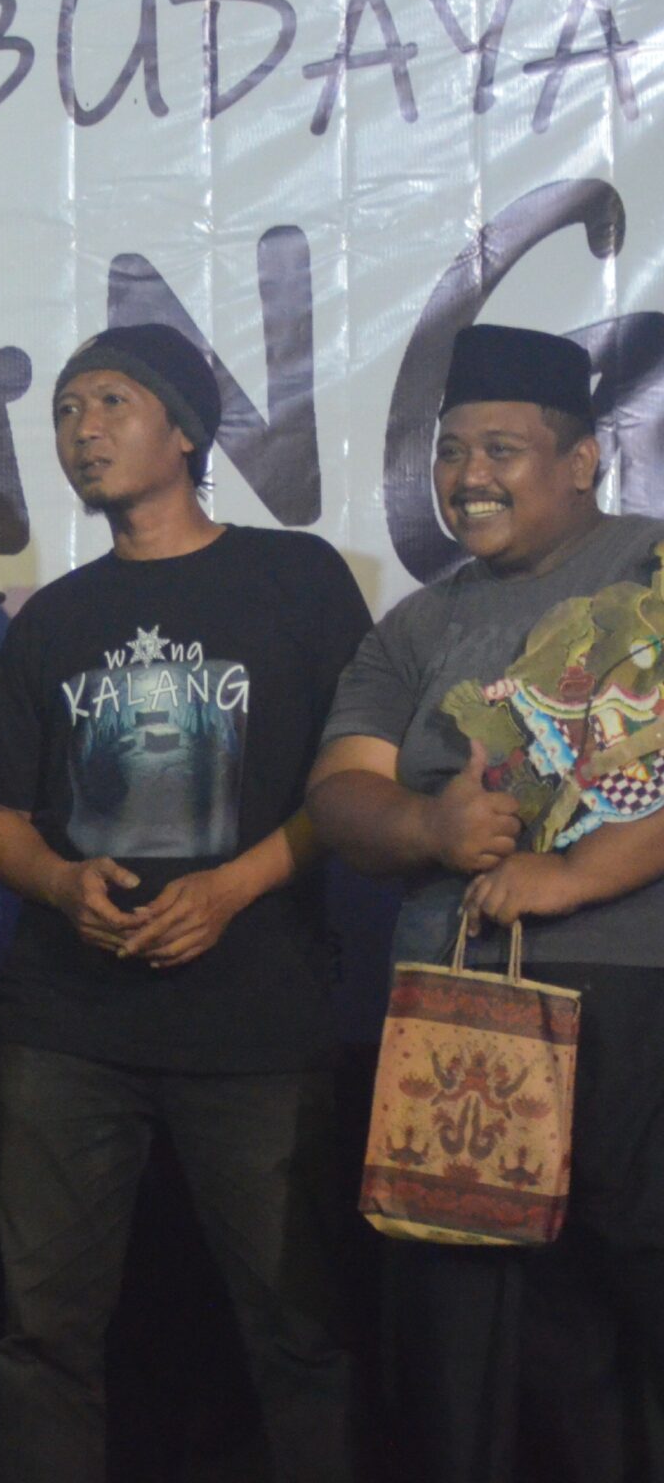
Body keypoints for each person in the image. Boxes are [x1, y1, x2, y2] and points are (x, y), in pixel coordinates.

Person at [0, 323, 363, 1482]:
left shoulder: (295, 579)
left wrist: (234, 886)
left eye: (110, 403)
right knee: (43, 1334)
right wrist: (59, 881)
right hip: (68, 1023)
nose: (81, 431)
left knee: (298, 1329)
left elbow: (358, 782)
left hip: (255, 1020)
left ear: (185, 430)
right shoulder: (52, 617)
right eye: (64, 411)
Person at [309, 323, 664, 1483]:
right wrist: (429, 829)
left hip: (633, 996)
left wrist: (574, 875)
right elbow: (340, 790)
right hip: (457, 1017)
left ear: (582, 459)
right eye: (451, 451)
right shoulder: (418, 624)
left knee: (626, 1310)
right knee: (458, 1337)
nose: (468, 477)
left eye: (500, 449)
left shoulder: (651, 573)